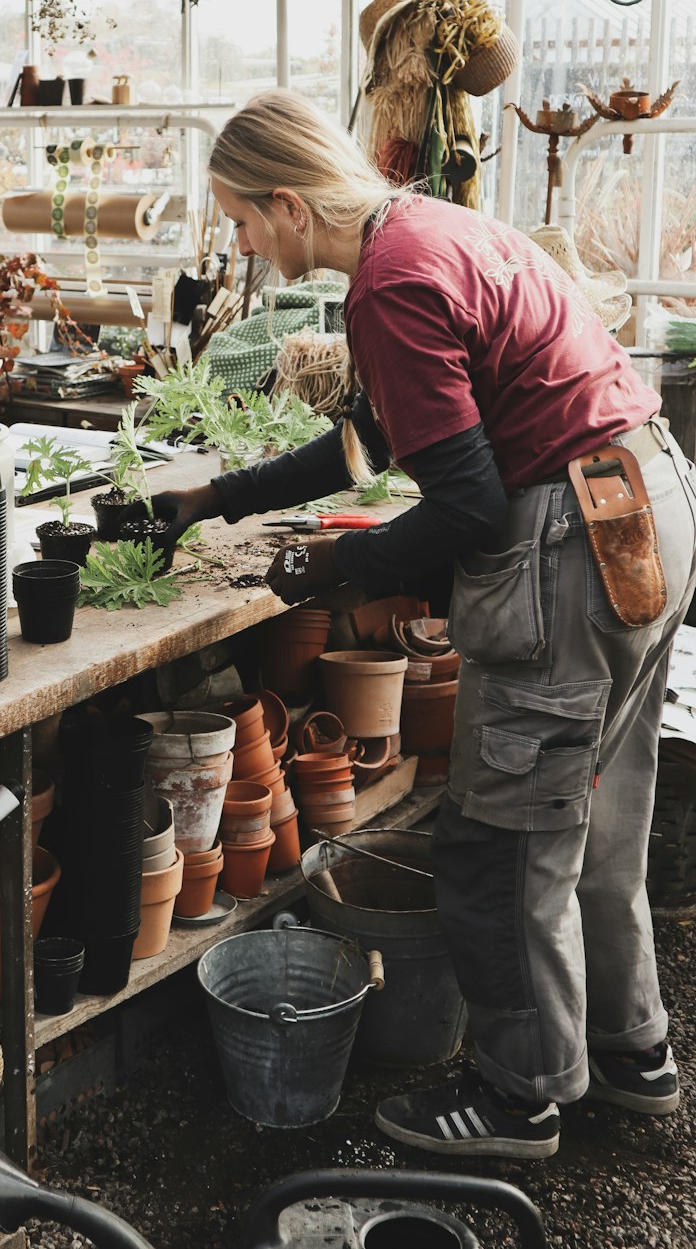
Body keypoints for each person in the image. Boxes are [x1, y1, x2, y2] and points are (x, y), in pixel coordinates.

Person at [154, 89, 696, 1159]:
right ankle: (632, 1055)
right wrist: (220, 500)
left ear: (289, 203)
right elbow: (373, 441)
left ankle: (520, 1098)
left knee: (500, 839)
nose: (245, 245)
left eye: (242, 221)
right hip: (650, 505)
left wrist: (330, 567)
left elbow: (467, 508)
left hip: (569, 548)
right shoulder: (434, 227)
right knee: (601, 814)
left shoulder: (389, 283)